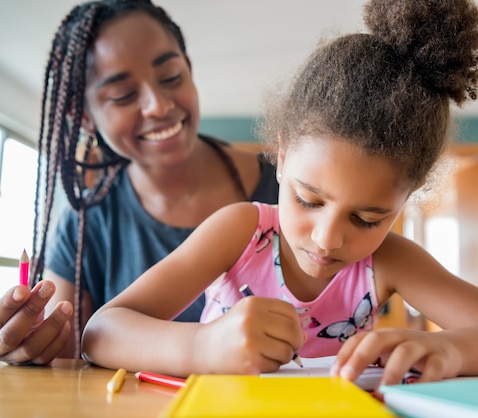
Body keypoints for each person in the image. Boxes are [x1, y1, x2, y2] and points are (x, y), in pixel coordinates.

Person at [82, 0, 478, 391]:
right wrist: (201, 346)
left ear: (405, 199)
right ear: (282, 157)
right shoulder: (241, 230)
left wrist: (451, 348)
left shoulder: (389, 261)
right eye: (309, 200)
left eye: (367, 219)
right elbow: (101, 333)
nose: (328, 240)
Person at [0, 0, 279, 364]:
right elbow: (64, 355)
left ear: (189, 70)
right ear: (85, 117)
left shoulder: (290, 188)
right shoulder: (86, 222)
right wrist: (29, 345)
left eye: (171, 77)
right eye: (123, 95)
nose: (158, 105)